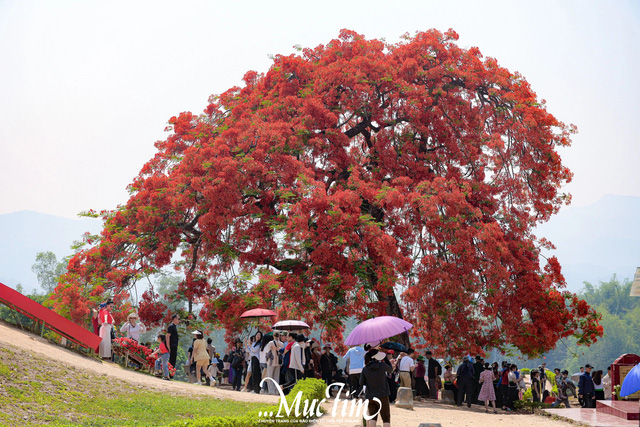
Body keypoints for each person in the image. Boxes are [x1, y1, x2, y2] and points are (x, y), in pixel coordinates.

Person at [360, 348, 395, 427]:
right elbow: (391, 369)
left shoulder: (365, 369)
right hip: (382, 395)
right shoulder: (382, 366)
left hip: (370, 396)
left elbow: (361, 382)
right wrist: (386, 359)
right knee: (386, 418)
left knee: (372, 417)